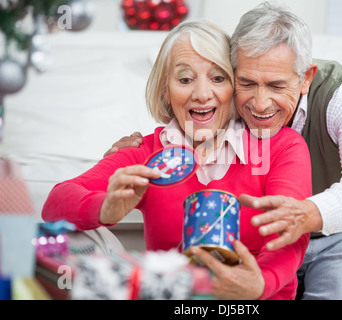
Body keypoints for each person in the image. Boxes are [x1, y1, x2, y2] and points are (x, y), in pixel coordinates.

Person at [109, 2, 342, 300]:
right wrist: (135, 149)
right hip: (269, 243)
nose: (260, 104)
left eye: (276, 86)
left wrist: (308, 214)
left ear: (306, 78)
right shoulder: (226, 98)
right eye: (247, 83)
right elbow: (192, 106)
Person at [42, 20, 312, 300]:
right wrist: (105, 209)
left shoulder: (281, 147)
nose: (202, 94)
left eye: (218, 78)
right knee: (77, 237)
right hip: (175, 297)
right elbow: (55, 203)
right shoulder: (146, 152)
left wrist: (261, 284)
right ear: (164, 90)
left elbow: (291, 231)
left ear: (235, 87)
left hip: (256, 300)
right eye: (185, 79)